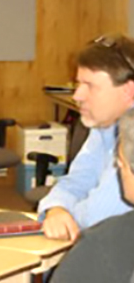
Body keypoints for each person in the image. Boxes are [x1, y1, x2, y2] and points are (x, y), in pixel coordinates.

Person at [38, 34, 134, 241]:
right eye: (78, 83)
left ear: (128, 91)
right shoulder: (104, 125)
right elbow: (75, 181)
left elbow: (95, 218)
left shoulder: (130, 137)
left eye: (89, 85)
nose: (77, 95)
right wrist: (56, 209)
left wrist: (63, 214)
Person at [50, 108, 134, 283]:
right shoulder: (101, 130)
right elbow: (74, 182)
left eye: (120, 161)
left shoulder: (105, 244)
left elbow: (91, 217)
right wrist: (57, 208)